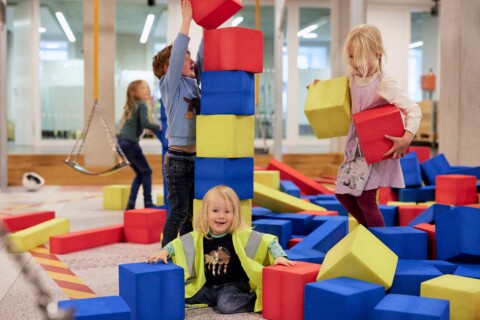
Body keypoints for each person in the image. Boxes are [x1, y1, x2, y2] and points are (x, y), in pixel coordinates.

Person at [311, 24, 422, 228]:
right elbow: (342, 90)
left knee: (366, 199)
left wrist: (406, 138)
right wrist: (321, 88)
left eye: (358, 58)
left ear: (377, 54)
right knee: (343, 194)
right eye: (351, 56)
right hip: (355, 147)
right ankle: (369, 231)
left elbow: (414, 110)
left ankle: (379, 241)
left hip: (373, 150)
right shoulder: (353, 74)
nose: (353, 63)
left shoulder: (384, 82)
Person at [146, 185, 296, 314]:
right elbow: (178, 243)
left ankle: (258, 299)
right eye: (215, 210)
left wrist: (279, 256)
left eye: (227, 212)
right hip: (209, 286)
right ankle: (215, 299)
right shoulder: (200, 236)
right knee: (182, 294)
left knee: (226, 305)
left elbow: (268, 241)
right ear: (206, 213)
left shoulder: (240, 235)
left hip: (233, 286)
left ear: (235, 214)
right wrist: (164, 251)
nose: (221, 216)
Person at [152, 0, 202, 247]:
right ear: (168, 68)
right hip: (178, 160)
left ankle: (188, 258)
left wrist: (209, 26)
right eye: (186, 59)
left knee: (193, 215)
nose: (190, 61)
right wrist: (187, 21)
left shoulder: (195, 84)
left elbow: (204, 56)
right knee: (179, 211)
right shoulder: (170, 84)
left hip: (197, 159)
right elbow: (179, 52)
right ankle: (165, 255)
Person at [117, 80, 160, 210]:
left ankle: (130, 205)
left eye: (147, 88)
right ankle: (148, 202)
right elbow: (146, 123)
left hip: (121, 143)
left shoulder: (133, 105)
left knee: (141, 173)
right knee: (147, 171)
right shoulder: (141, 104)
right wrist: (160, 126)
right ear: (134, 92)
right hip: (129, 143)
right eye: (143, 88)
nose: (147, 90)